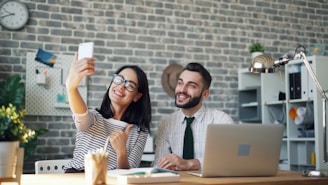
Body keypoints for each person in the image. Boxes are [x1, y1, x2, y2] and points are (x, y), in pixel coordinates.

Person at [64, 52, 151, 172]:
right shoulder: (94, 118)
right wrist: (71, 88)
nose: (121, 87)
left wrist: (121, 152)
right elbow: (81, 115)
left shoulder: (139, 132)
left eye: (129, 85)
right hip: (77, 178)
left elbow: (129, 173)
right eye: (119, 79)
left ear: (137, 96)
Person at [153, 62, 234, 171]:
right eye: (180, 83)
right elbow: (160, 165)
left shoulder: (221, 120)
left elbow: (228, 160)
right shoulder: (166, 123)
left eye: (191, 85)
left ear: (205, 94)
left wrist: (190, 164)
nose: (182, 90)